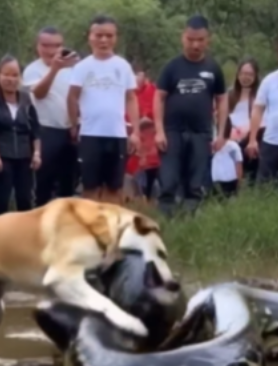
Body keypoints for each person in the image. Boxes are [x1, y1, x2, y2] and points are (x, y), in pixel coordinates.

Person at [153, 15, 227, 217]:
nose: (195, 44)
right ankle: (166, 220)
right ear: (183, 37)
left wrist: (221, 134)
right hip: (172, 132)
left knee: (196, 183)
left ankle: (190, 221)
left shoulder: (213, 68)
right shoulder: (172, 66)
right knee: (168, 180)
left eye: (200, 40)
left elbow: (222, 100)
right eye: (191, 39)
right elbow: (158, 98)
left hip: (201, 133)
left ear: (207, 40)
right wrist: (159, 131)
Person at [67, 15, 139, 204]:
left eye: (109, 35)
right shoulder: (82, 67)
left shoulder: (122, 66)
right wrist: (74, 125)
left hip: (117, 134)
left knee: (114, 187)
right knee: (90, 186)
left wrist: (136, 133)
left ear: (116, 38)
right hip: (91, 134)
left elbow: (131, 98)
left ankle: (110, 229)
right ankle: (90, 228)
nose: (104, 40)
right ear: (90, 37)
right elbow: (72, 96)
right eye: (99, 35)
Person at [21, 27, 78, 207]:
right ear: (38, 46)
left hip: (70, 129)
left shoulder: (74, 68)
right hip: (45, 130)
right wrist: (54, 69)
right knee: (44, 181)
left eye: (57, 46)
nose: (51, 51)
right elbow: (38, 94)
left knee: (69, 182)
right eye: (46, 45)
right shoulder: (33, 70)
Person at [0, 55, 41, 216]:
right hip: (2, 155)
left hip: (24, 156)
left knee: (25, 199)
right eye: (6, 74)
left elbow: (35, 129)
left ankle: (24, 235)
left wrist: (36, 153)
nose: (11, 79)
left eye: (15, 75)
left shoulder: (26, 99)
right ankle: (0, 237)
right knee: (2, 199)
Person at [228, 59, 262, 181]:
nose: (245, 77)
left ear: (255, 76)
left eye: (249, 74)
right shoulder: (230, 95)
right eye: (243, 73)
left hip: (252, 135)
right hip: (232, 136)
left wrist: (247, 130)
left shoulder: (260, 95)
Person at [246, 66, 278, 181]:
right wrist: (252, 139)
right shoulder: (269, 80)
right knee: (265, 187)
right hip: (271, 142)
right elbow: (258, 109)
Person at [211, 119, 243, 196]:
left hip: (228, 180)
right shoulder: (213, 145)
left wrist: (239, 181)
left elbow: (238, 164)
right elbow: (238, 165)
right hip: (219, 180)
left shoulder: (232, 146)